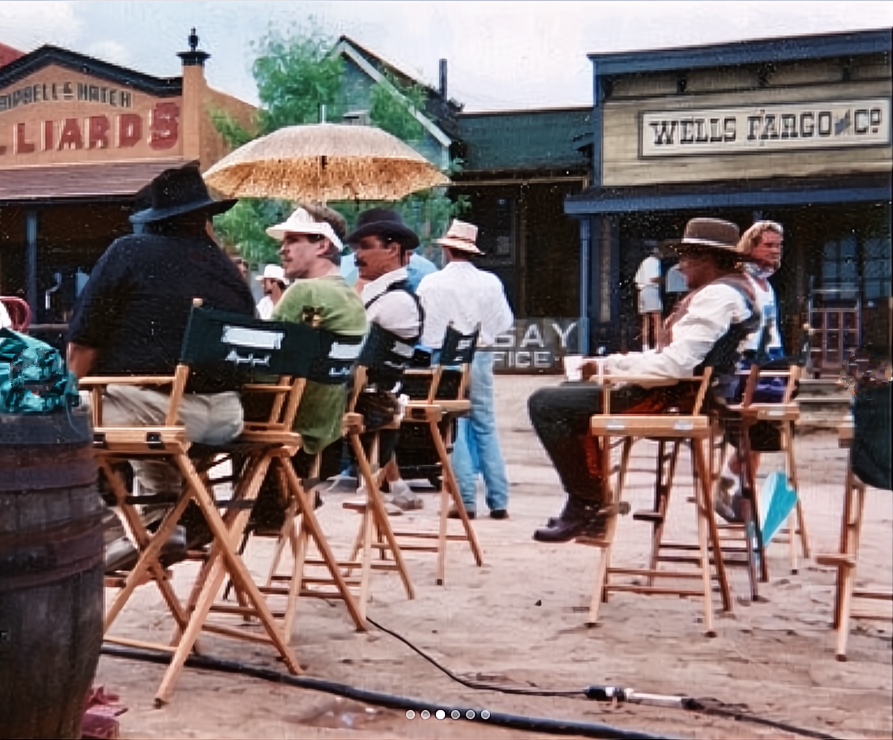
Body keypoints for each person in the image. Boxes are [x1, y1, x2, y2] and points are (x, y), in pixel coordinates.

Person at [66, 163, 256, 571]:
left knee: (39, 422)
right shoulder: (229, 272)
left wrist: (64, 399)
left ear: (155, 219)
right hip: (227, 418)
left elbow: (82, 346)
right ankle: (166, 522)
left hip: (167, 414)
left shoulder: (129, 251)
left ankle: (103, 534)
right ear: (205, 218)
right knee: (138, 410)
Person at [528, 218, 759, 543]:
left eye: (686, 258)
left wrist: (610, 369)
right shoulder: (732, 290)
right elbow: (676, 358)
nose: (680, 266)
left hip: (676, 398)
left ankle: (588, 501)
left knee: (544, 404)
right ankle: (591, 502)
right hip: (693, 394)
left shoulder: (717, 296)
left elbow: (675, 366)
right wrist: (610, 364)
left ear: (707, 259)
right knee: (570, 395)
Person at [416, 219, 515, 520]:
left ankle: (465, 500)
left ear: (446, 249)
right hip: (481, 355)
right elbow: (504, 322)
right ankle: (498, 501)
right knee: (485, 425)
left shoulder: (431, 283)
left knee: (453, 428)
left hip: (445, 357)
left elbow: (424, 329)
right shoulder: (490, 282)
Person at [266, 206, 368, 480]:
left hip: (287, 420)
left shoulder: (303, 290)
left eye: (292, 240)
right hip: (328, 422)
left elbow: (266, 357)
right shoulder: (352, 296)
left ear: (322, 245)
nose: (282, 249)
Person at [345, 208, 427, 510]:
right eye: (355, 248)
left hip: (366, 402)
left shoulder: (393, 301)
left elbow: (344, 340)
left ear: (392, 250)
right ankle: (394, 483)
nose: (356, 256)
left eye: (364, 246)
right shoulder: (382, 295)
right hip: (375, 398)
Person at [714, 220, 787, 522]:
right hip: (745, 365)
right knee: (751, 431)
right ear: (750, 246)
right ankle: (732, 486)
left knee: (759, 436)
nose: (775, 251)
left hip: (770, 362)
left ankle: (739, 492)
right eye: (768, 245)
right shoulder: (740, 282)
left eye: (778, 246)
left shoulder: (766, 285)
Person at [635, 247, 663, 351]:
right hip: (651, 289)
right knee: (657, 320)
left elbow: (637, 279)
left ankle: (645, 347)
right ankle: (657, 347)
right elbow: (654, 278)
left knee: (645, 321)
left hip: (642, 291)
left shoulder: (644, 262)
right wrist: (665, 280)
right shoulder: (655, 262)